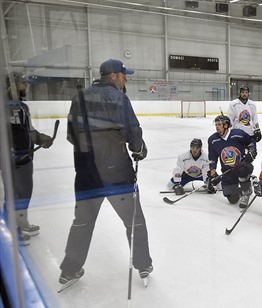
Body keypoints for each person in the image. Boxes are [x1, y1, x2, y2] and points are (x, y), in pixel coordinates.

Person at [59, 59, 152, 285]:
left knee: (82, 221)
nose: (125, 78)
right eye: (123, 74)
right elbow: (133, 132)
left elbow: (71, 135)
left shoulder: (79, 98)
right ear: (112, 76)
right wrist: (138, 149)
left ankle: (69, 269)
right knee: (134, 220)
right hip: (116, 173)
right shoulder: (120, 99)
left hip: (86, 173)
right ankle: (143, 264)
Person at [5, 72, 54, 245]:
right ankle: (12, 229)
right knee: (14, 195)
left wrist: (41, 138)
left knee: (25, 194)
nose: (27, 87)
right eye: (23, 84)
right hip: (11, 159)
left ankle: (22, 221)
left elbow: (29, 131)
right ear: (12, 85)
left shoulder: (23, 107)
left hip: (26, 157)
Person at [207, 115, 257, 208]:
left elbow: (251, 142)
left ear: (226, 125)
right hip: (227, 170)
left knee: (241, 170)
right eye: (216, 124)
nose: (217, 126)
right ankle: (242, 189)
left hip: (242, 166)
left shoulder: (238, 134)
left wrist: (251, 152)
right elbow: (212, 158)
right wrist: (213, 174)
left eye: (219, 124)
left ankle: (246, 191)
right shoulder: (213, 140)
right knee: (232, 199)